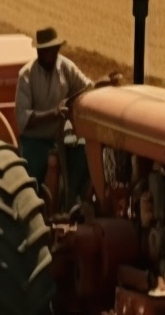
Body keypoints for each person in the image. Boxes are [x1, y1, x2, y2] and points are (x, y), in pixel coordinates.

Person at [14, 27, 116, 202]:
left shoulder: (66, 67)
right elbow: (22, 118)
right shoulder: (26, 76)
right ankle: (30, 205)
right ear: (39, 51)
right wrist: (52, 114)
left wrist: (105, 83)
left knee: (84, 155)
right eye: (47, 51)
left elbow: (86, 89)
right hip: (35, 141)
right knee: (32, 177)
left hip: (60, 138)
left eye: (54, 50)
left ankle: (74, 202)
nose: (52, 55)